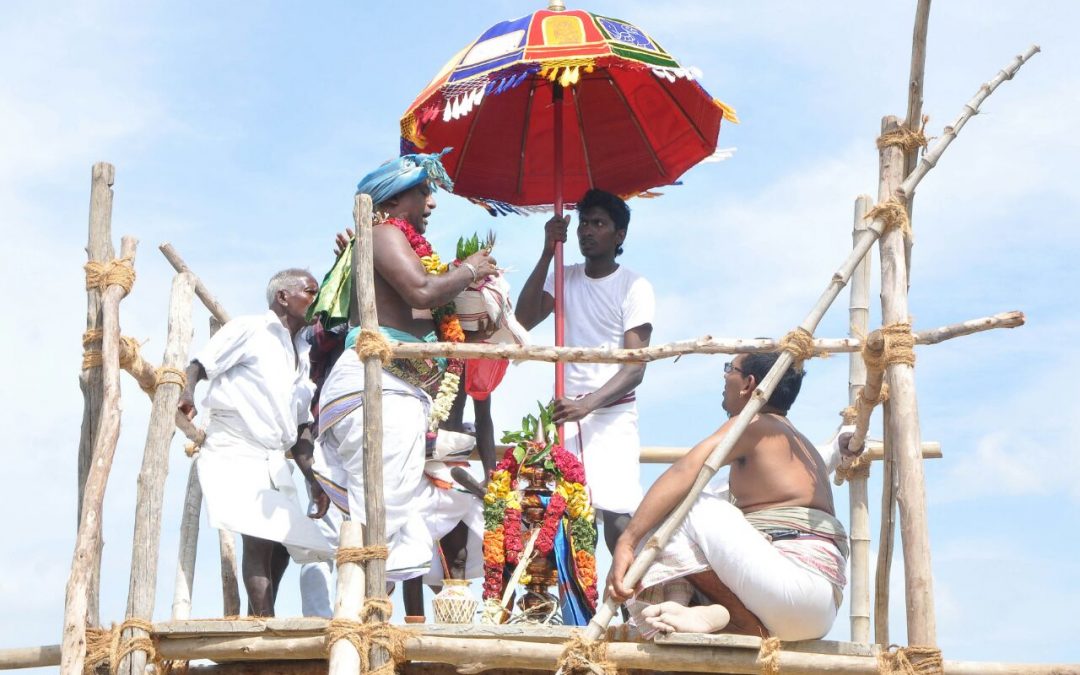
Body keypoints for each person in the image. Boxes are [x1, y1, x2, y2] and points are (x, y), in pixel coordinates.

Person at [307, 149, 499, 581]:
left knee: (390, 517)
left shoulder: (391, 238)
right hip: (376, 389)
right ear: (392, 201)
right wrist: (468, 271)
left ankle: (368, 620)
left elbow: (423, 305)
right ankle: (359, 624)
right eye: (423, 192)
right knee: (381, 522)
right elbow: (420, 291)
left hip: (393, 393)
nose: (431, 203)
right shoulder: (383, 232)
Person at [607, 352, 850, 641]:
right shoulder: (800, 443)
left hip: (788, 586)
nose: (724, 377)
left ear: (748, 384)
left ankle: (735, 619)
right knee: (701, 504)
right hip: (820, 612)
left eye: (729, 369)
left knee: (683, 503)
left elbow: (683, 472)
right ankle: (718, 614)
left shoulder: (752, 423)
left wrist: (627, 540)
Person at [177, 268, 333, 617]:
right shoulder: (251, 329)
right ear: (283, 297)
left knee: (281, 547)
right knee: (261, 539)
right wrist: (187, 392)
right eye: (310, 292)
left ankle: (259, 617)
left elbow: (301, 429)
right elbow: (200, 364)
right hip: (235, 447)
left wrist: (314, 480)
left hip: (271, 457)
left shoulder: (302, 352)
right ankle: (263, 625)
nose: (316, 299)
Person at [515, 188, 655, 556]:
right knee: (566, 518)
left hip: (612, 411)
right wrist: (548, 252)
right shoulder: (564, 276)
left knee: (618, 514)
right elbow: (523, 320)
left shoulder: (635, 286)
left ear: (619, 235)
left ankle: (627, 603)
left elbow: (635, 367)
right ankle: (576, 607)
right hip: (566, 412)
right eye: (583, 223)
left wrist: (588, 405)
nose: (587, 231)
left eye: (598, 223)